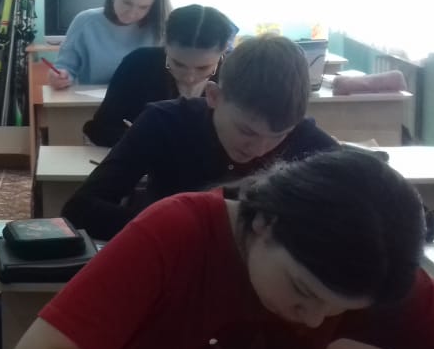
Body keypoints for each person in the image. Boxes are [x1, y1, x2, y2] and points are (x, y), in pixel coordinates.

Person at [8, 149, 434, 349]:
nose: (315, 321)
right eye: (302, 292)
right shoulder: (175, 232)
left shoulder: (370, 263)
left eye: (340, 311)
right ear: (264, 222)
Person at [62, 34, 338, 241]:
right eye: (247, 131)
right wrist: (182, 226)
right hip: (172, 261)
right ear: (213, 96)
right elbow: (80, 209)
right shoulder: (164, 121)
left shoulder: (307, 140)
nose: (259, 149)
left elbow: (353, 217)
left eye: (279, 135)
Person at [83, 4, 237, 147]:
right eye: (178, 64)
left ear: (224, 51)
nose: (189, 78)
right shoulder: (139, 63)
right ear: (165, 43)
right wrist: (140, 138)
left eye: (203, 68)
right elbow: (99, 129)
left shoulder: (235, 75)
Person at [50, 0, 170, 88]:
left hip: (145, 100)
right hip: (91, 100)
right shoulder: (85, 22)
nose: (131, 13)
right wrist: (60, 76)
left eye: (143, 7)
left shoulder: (161, 27)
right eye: (127, 3)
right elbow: (64, 68)